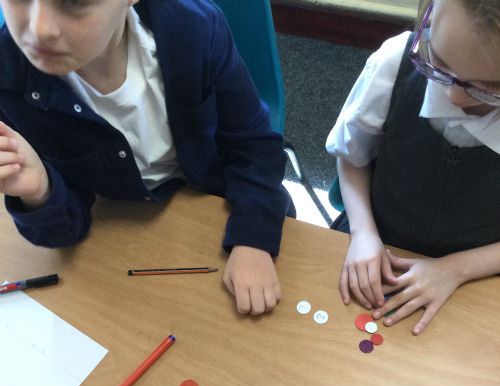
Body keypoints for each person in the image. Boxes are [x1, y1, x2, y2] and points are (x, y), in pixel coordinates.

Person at [0, 0, 294, 316]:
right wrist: (40, 192)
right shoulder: (9, 78)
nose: (39, 29)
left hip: (223, 197)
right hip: (125, 223)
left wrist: (253, 239)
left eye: (75, 1)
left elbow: (253, 145)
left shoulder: (194, 27)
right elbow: (68, 230)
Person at [326, 0, 500, 334]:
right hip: (374, 238)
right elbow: (351, 157)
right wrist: (363, 232)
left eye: (488, 88)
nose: (453, 97)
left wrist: (456, 269)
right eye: (439, 62)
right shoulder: (395, 62)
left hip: (477, 277)